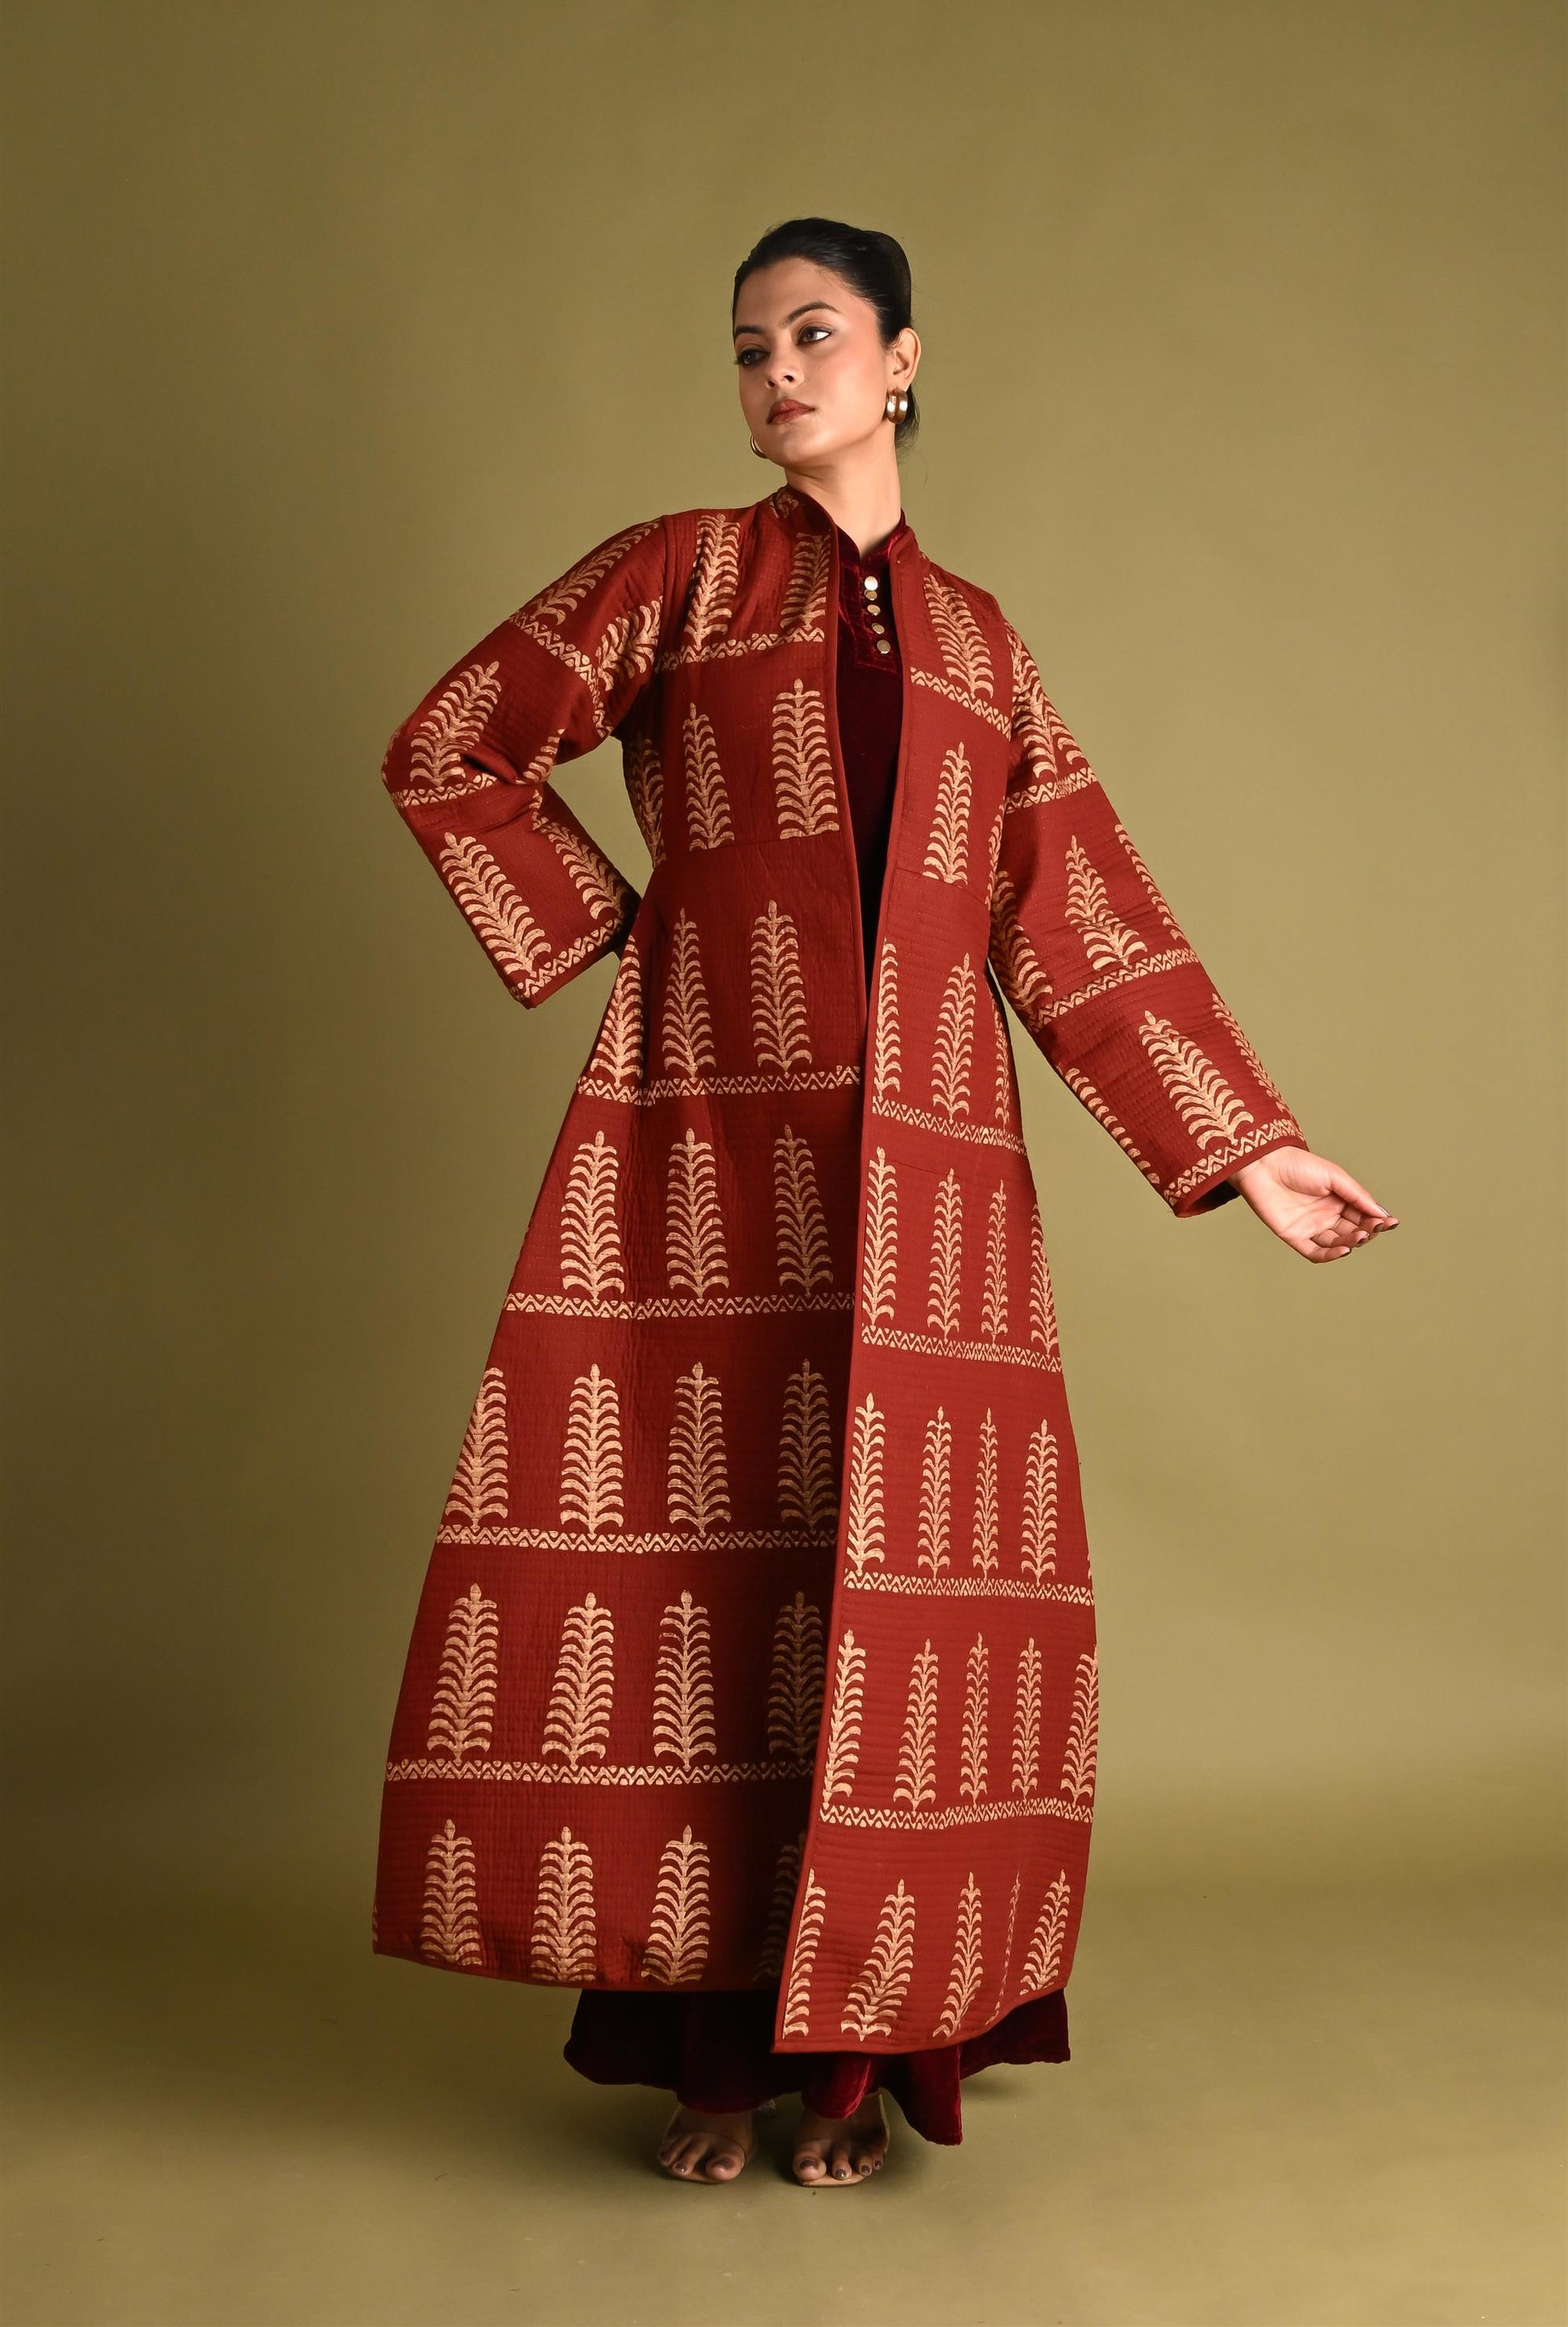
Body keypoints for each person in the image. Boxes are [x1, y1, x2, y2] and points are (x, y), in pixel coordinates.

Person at [371, 218, 1396, 2190]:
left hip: (936, 1190)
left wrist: (1244, 1145)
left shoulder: (984, 645)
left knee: (907, 1605)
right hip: (707, 1154)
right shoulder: (674, 574)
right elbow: (450, 749)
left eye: (816, 334)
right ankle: (712, 2058)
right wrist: (630, 945)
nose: (777, 374)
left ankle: (861, 2069)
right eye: (748, 347)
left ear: (903, 361)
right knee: (705, 1579)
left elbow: (1073, 911)